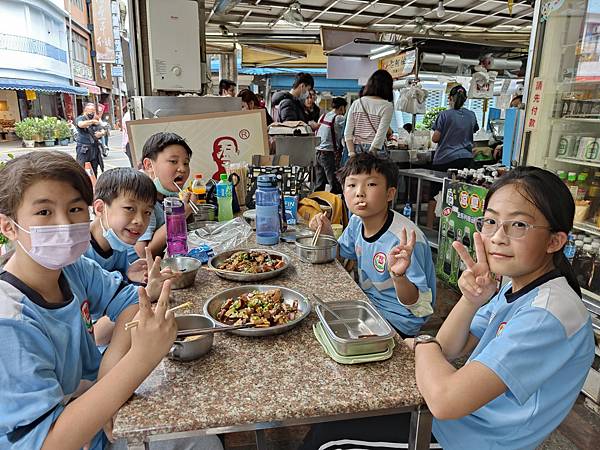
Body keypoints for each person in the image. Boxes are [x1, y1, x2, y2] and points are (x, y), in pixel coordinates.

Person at [406, 166, 594, 449]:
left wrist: (422, 343)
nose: (497, 237)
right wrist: (470, 300)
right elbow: (448, 348)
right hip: (453, 426)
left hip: (467, 442)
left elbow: (445, 400)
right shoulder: (517, 286)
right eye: (491, 221)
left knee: (329, 437)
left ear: (555, 241)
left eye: (518, 225)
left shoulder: (548, 314)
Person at [0, 151, 174, 449]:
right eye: (44, 212)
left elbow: (129, 300)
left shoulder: (71, 269)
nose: (65, 223)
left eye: (74, 209)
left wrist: (110, 373)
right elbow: (47, 442)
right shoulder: (10, 322)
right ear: (8, 227)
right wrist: (140, 359)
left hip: (104, 409)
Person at [310, 153, 436, 337]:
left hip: (399, 319)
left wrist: (398, 276)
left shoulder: (404, 240)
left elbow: (420, 306)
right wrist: (327, 233)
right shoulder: (356, 222)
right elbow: (339, 254)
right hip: (368, 305)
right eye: (352, 185)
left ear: (390, 194)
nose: (359, 192)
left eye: (371, 184)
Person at [130, 132, 196, 261]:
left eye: (186, 163)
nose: (182, 169)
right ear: (149, 165)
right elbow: (144, 253)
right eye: (173, 161)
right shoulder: (143, 200)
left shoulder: (173, 196)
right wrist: (179, 214)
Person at [85, 168, 157, 283]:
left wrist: (128, 272)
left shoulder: (118, 242)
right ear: (100, 208)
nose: (140, 221)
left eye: (147, 212)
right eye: (129, 208)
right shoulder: (78, 252)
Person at [344, 69, 394, 159]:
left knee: (359, 173)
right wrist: (371, 153)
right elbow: (381, 134)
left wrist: (351, 153)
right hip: (376, 150)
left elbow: (347, 133)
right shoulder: (387, 106)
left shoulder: (357, 103)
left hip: (357, 149)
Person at [431, 85, 479, 172]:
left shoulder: (444, 115)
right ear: (465, 99)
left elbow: (435, 139)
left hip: (446, 159)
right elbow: (473, 131)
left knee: (442, 185)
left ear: (450, 98)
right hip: (467, 159)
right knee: (460, 185)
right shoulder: (471, 114)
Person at [314, 97, 347, 194]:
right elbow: (349, 129)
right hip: (328, 154)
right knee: (334, 184)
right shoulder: (339, 118)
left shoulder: (323, 116)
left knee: (319, 184)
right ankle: (335, 205)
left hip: (317, 153)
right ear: (341, 108)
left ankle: (315, 203)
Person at [75, 102, 102, 176]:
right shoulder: (81, 118)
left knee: (94, 170)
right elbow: (81, 124)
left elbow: (103, 128)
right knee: (82, 170)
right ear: (85, 111)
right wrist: (92, 121)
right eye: (90, 111)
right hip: (84, 149)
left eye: (93, 111)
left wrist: (101, 133)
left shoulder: (96, 120)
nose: (92, 113)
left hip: (94, 148)